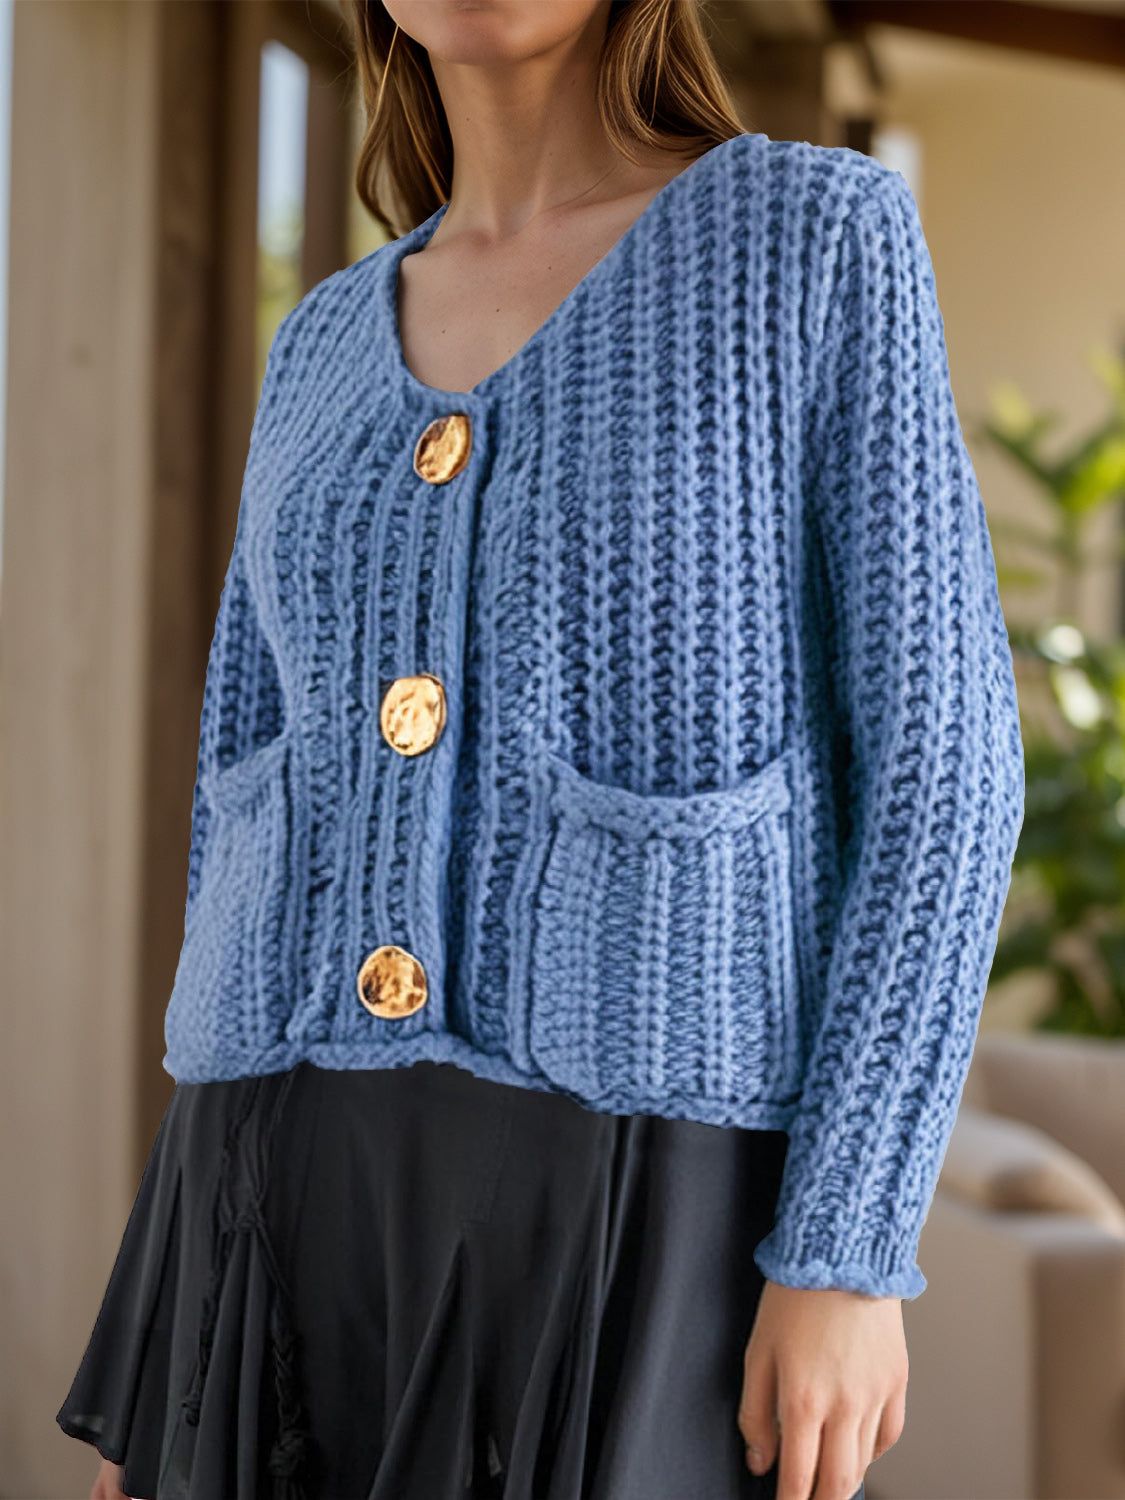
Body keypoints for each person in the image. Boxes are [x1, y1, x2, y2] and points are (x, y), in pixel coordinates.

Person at [57, 2, 1025, 1498]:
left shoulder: (811, 240)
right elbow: (244, 796)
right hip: (277, 1185)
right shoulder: (322, 339)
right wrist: (176, 1304)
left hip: (638, 1205)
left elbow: (944, 772)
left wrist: (846, 1249)